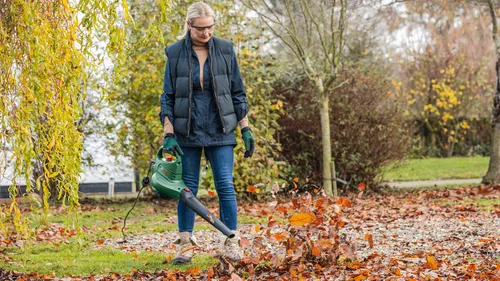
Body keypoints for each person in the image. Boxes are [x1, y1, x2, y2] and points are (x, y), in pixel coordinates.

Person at [159, 1, 255, 264]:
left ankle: (230, 242)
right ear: (189, 25)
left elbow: (237, 91)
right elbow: (167, 96)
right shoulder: (175, 53)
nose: (206, 33)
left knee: (225, 184)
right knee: (187, 189)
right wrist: (168, 133)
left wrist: (245, 127)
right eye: (201, 28)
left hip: (220, 127)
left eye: (210, 27)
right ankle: (185, 245)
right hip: (186, 129)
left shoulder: (225, 49)